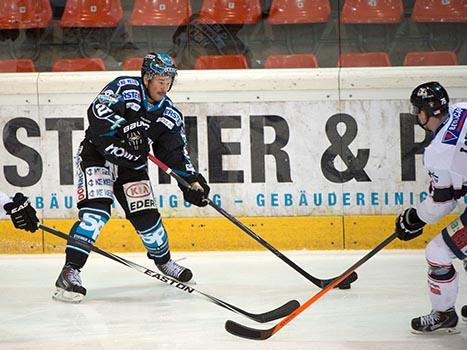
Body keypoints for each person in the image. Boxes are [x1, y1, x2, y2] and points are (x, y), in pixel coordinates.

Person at [53, 52, 210, 303]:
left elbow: (175, 153)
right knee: (95, 214)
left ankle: (165, 262)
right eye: (159, 79)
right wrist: (124, 127)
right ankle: (70, 271)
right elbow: (97, 111)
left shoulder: (170, 115)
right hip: (98, 156)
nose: (164, 86)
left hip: (131, 167)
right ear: (146, 78)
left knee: (148, 221)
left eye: (169, 80)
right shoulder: (124, 87)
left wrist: (191, 182)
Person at [395, 81, 467, 334]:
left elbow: (443, 203)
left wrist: (415, 217)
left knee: (438, 252)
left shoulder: (438, 151)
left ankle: (443, 314)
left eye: (418, 109)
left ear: (426, 111)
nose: (417, 115)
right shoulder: (463, 109)